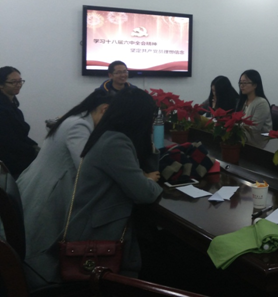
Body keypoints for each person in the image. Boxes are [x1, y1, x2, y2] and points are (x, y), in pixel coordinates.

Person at [23, 88, 162, 290]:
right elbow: (145, 194)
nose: (151, 123)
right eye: (150, 117)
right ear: (137, 117)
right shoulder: (115, 142)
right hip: (98, 236)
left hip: (92, 224)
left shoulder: (105, 134)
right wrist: (151, 181)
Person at [18, 90, 112, 284]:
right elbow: (85, 167)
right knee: (41, 244)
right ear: (104, 109)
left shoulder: (73, 119)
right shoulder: (79, 125)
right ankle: (42, 285)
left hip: (39, 182)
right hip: (51, 190)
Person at [0, 66, 39, 178]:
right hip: (11, 162)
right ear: (1, 84)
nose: (18, 85)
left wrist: (35, 146)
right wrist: (33, 151)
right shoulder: (2, 109)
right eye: (13, 82)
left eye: (20, 81)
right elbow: (10, 141)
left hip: (17, 156)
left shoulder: (11, 105)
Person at [236, 69, 272, 138]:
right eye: (240, 83)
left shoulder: (261, 103)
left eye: (245, 83)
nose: (241, 86)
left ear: (255, 85)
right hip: (244, 137)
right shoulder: (244, 101)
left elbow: (254, 128)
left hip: (258, 140)